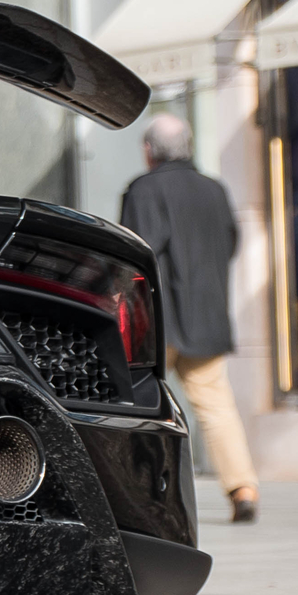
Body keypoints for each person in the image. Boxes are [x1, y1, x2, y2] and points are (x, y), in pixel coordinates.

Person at [121, 113, 260, 523]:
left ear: (149, 151)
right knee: (216, 405)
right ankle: (243, 487)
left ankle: (143, 497)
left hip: (157, 320)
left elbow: (133, 256)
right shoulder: (214, 190)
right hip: (204, 316)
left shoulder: (142, 190)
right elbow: (230, 244)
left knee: (141, 405)